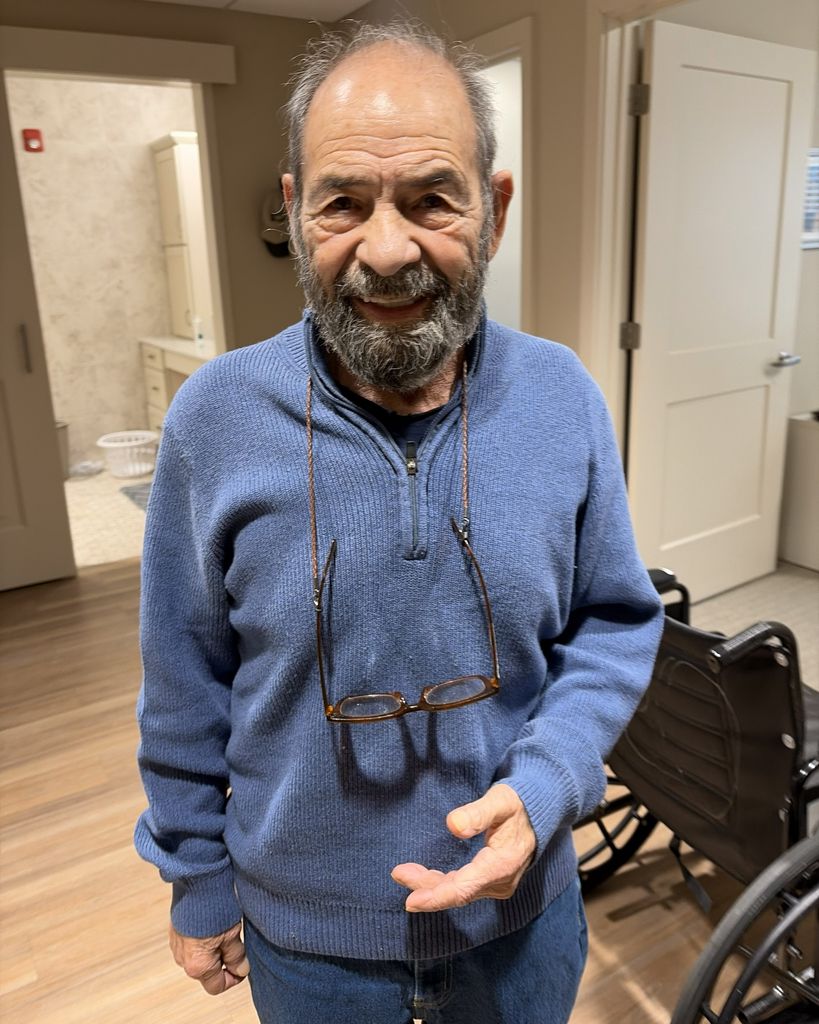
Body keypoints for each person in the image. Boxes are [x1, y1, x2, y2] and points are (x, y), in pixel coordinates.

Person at [135, 20, 663, 1024]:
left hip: (522, 923)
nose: (386, 250)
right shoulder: (214, 419)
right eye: (343, 202)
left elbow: (614, 622)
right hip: (307, 947)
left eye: (431, 199)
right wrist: (196, 875)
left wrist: (550, 780)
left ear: (494, 211)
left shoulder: (564, 397)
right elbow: (182, 678)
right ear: (297, 210)